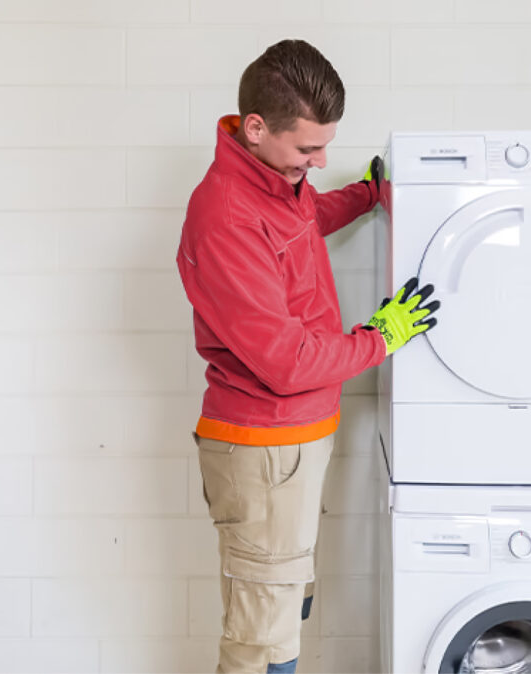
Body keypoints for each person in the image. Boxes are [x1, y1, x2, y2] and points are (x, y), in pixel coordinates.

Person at [176, 39, 438, 674]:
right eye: (308, 148)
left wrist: (368, 194)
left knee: (284, 607)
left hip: (296, 444)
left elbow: (307, 217)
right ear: (257, 127)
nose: (320, 162)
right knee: (262, 645)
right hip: (263, 452)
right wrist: (381, 337)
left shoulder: (273, 180)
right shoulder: (227, 216)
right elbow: (286, 361)